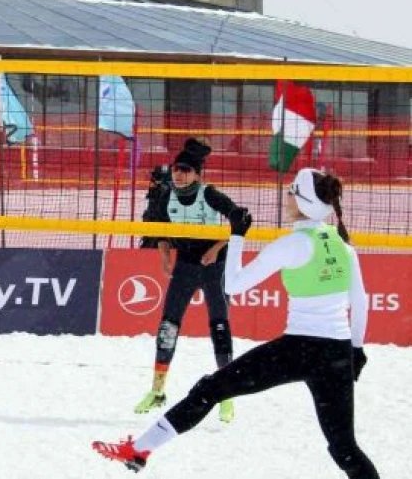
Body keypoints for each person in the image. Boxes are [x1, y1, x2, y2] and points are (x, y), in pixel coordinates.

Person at [94, 168, 378, 479]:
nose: (286, 197)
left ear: (304, 201)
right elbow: (360, 302)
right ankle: (139, 449)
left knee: (210, 389)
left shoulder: (293, 244)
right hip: (337, 353)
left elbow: (234, 285)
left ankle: (140, 449)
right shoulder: (344, 246)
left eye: (291, 192)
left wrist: (237, 236)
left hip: (298, 349)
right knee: (344, 448)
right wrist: (357, 350)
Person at [134, 138, 240, 423]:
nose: (178, 174)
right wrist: (166, 257)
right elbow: (161, 230)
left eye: (185, 169)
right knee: (168, 326)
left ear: (197, 173)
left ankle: (226, 397)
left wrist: (215, 250)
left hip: (213, 265)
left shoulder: (210, 194)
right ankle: (157, 391)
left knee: (219, 326)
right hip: (185, 265)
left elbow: (238, 221)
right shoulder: (166, 195)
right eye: (176, 169)